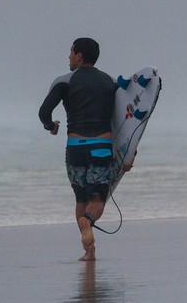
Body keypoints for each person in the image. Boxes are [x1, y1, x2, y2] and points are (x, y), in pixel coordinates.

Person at [39, 37, 121, 261]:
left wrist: (51, 126)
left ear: (79, 56)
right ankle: (88, 223)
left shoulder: (64, 81)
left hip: (75, 148)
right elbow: (125, 120)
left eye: (70, 52)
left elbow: (44, 112)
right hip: (101, 147)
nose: (68, 56)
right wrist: (128, 154)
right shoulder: (110, 82)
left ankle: (89, 250)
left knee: (80, 200)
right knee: (96, 200)